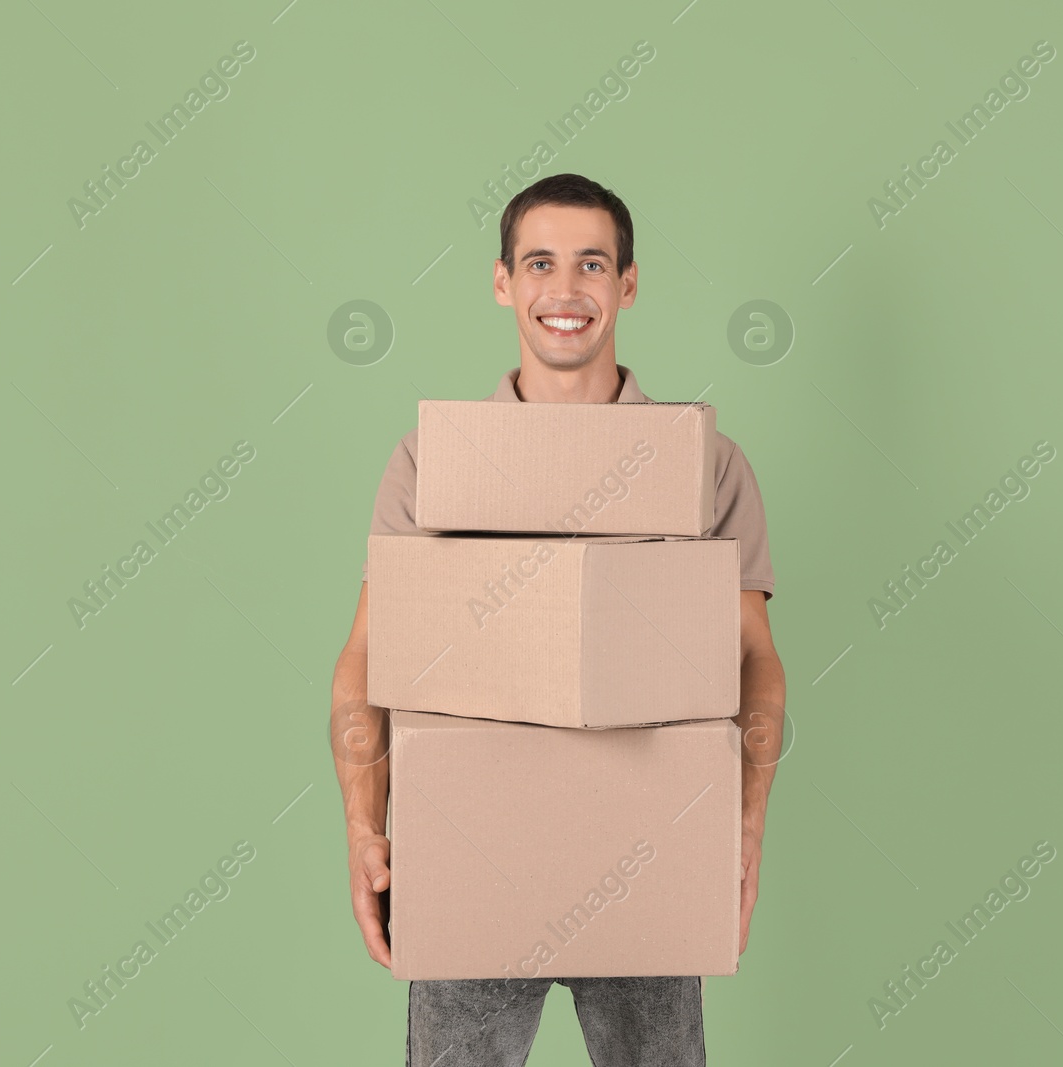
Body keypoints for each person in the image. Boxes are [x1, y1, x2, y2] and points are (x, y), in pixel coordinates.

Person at [329, 173, 787, 1066]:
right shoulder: (436, 462)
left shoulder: (702, 463)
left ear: (628, 283)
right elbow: (366, 659)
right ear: (503, 281)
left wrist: (743, 823)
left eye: (591, 263)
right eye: (540, 263)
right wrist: (364, 828)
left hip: (649, 845)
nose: (566, 289)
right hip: (469, 848)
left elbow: (752, 659)